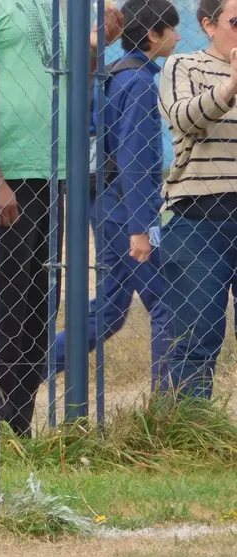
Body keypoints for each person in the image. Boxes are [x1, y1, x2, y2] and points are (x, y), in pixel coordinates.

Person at [0, 0, 124, 436]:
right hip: (1, 172)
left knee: (40, 306)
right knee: (0, 303)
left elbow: (69, 77)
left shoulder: (50, 4)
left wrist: (94, 46)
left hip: (49, 169)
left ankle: (19, 428)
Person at [51, 0, 178, 394]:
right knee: (167, 303)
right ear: (154, 35)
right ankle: (169, 403)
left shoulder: (117, 74)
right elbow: (133, 158)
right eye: (172, 29)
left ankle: (26, 372)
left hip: (107, 203)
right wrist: (141, 226)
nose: (177, 37)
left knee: (109, 309)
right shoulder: (137, 82)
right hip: (125, 209)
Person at [158, 0, 237, 399]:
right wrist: (231, 84)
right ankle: (193, 427)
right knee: (197, 339)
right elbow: (184, 117)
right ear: (208, 24)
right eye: (236, 21)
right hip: (198, 218)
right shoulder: (183, 66)